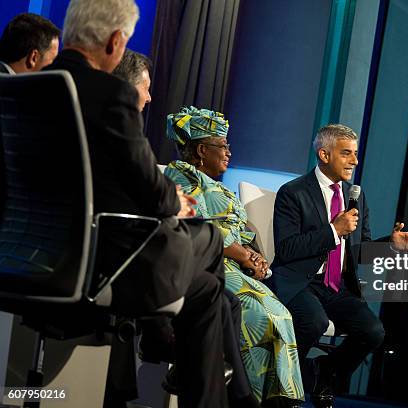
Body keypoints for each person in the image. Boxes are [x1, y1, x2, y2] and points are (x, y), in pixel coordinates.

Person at [45, 1, 227, 407]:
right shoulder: (111, 94)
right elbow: (152, 192)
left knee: (208, 289)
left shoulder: (32, 85)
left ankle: (165, 332)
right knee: (211, 239)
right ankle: (162, 329)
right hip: (100, 266)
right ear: (115, 42)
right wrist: (175, 201)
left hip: (32, 258)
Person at [112, 52, 257, 408]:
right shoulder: (117, 125)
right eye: (145, 90)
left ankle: (216, 379)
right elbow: (156, 199)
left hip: (136, 247)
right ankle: (231, 387)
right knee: (208, 243)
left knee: (218, 296)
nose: (149, 98)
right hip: (122, 255)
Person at [269, 124, 408, 407]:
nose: (355, 161)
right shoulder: (293, 192)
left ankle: (325, 371)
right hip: (299, 281)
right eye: (346, 154)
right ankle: (282, 387)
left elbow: (359, 250)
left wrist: (391, 244)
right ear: (324, 154)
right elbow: (286, 249)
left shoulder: (355, 195)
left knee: (373, 331)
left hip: (336, 286)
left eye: (355, 154)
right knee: (314, 322)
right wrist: (333, 230)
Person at [164, 106, 305, 408]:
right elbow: (194, 225)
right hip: (205, 264)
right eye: (223, 146)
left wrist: (255, 256)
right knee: (261, 316)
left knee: (279, 314)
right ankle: (244, 398)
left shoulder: (215, 184)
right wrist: (242, 254)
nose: (229, 152)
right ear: (201, 149)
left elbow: (240, 232)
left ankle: (274, 400)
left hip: (233, 264)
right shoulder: (182, 178)